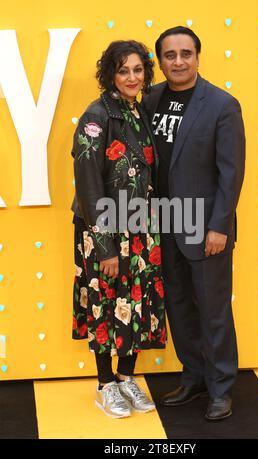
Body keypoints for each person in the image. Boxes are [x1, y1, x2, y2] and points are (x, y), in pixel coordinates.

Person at [142, 26, 245, 420]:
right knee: (179, 305)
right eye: (170, 55)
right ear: (161, 61)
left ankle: (221, 387)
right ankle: (194, 376)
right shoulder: (150, 98)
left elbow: (231, 173)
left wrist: (219, 226)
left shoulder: (222, 105)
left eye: (186, 53)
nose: (179, 61)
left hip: (205, 228)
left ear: (198, 57)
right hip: (163, 223)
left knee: (214, 309)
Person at [70, 40, 166, 419]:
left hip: (141, 230)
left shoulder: (137, 110)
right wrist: (106, 246)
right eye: (123, 70)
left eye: (138, 69)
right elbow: (89, 185)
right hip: (105, 233)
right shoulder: (96, 117)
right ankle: (105, 384)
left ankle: (127, 377)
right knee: (105, 305)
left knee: (136, 304)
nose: (131, 77)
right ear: (110, 73)